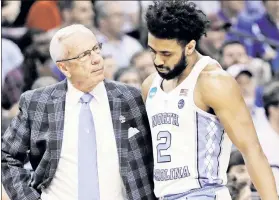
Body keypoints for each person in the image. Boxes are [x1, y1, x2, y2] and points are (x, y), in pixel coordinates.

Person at [2, 24, 156, 200]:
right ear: (64, 68)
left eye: (96, 49)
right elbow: (7, 155)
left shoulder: (132, 98)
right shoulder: (37, 103)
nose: (97, 58)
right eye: (84, 55)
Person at [141, 1, 278, 199]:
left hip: (204, 193)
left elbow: (252, 150)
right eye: (153, 51)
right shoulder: (149, 85)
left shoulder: (213, 82)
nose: (157, 61)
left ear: (190, 46)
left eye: (166, 53)